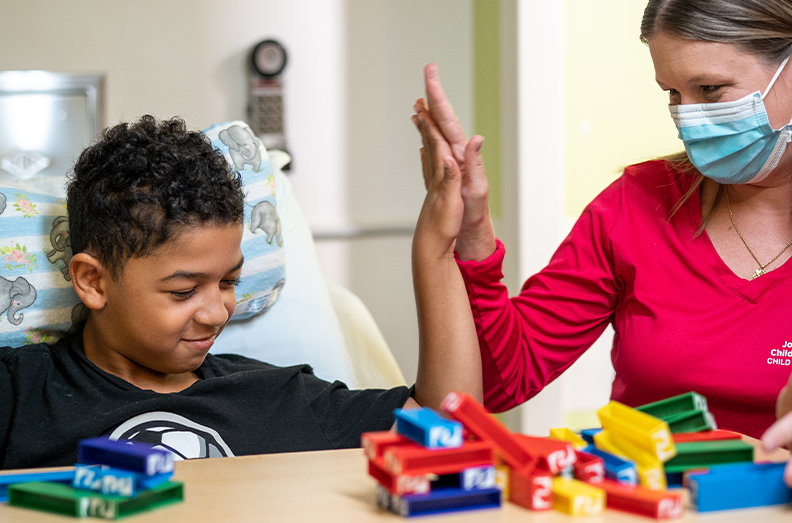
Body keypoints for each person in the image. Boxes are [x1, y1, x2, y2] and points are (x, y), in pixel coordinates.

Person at [412, 0, 792, 483]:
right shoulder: (635, 204)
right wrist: (471, 235)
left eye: (711, 90)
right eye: (672, 94)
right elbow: (497, 381)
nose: (688, 119)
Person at [0, 115, 481, 469]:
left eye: (229, 281)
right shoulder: (22, 396)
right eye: (184, 291)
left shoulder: (274, 397)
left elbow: (447, 428)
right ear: (93, 281)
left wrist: (436, 251)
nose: (216, 312)